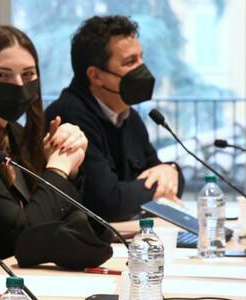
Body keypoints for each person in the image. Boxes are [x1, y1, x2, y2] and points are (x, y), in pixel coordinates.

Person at [0, 25, 112, 271]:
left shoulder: (16, 132)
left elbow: (64, 222)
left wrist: (68, 166)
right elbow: (23, 236)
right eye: (2, 75)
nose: (18, 85)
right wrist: (58, 169)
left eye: (28, 75)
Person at [45, 15, 185, 221]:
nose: (142, 68)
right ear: (96, 76)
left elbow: (167, 179)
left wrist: (170, 170)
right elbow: (107, 203)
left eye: (141, 58)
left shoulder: (129, 117)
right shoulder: (70, 117)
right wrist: (158, 186)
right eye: (131, 61)